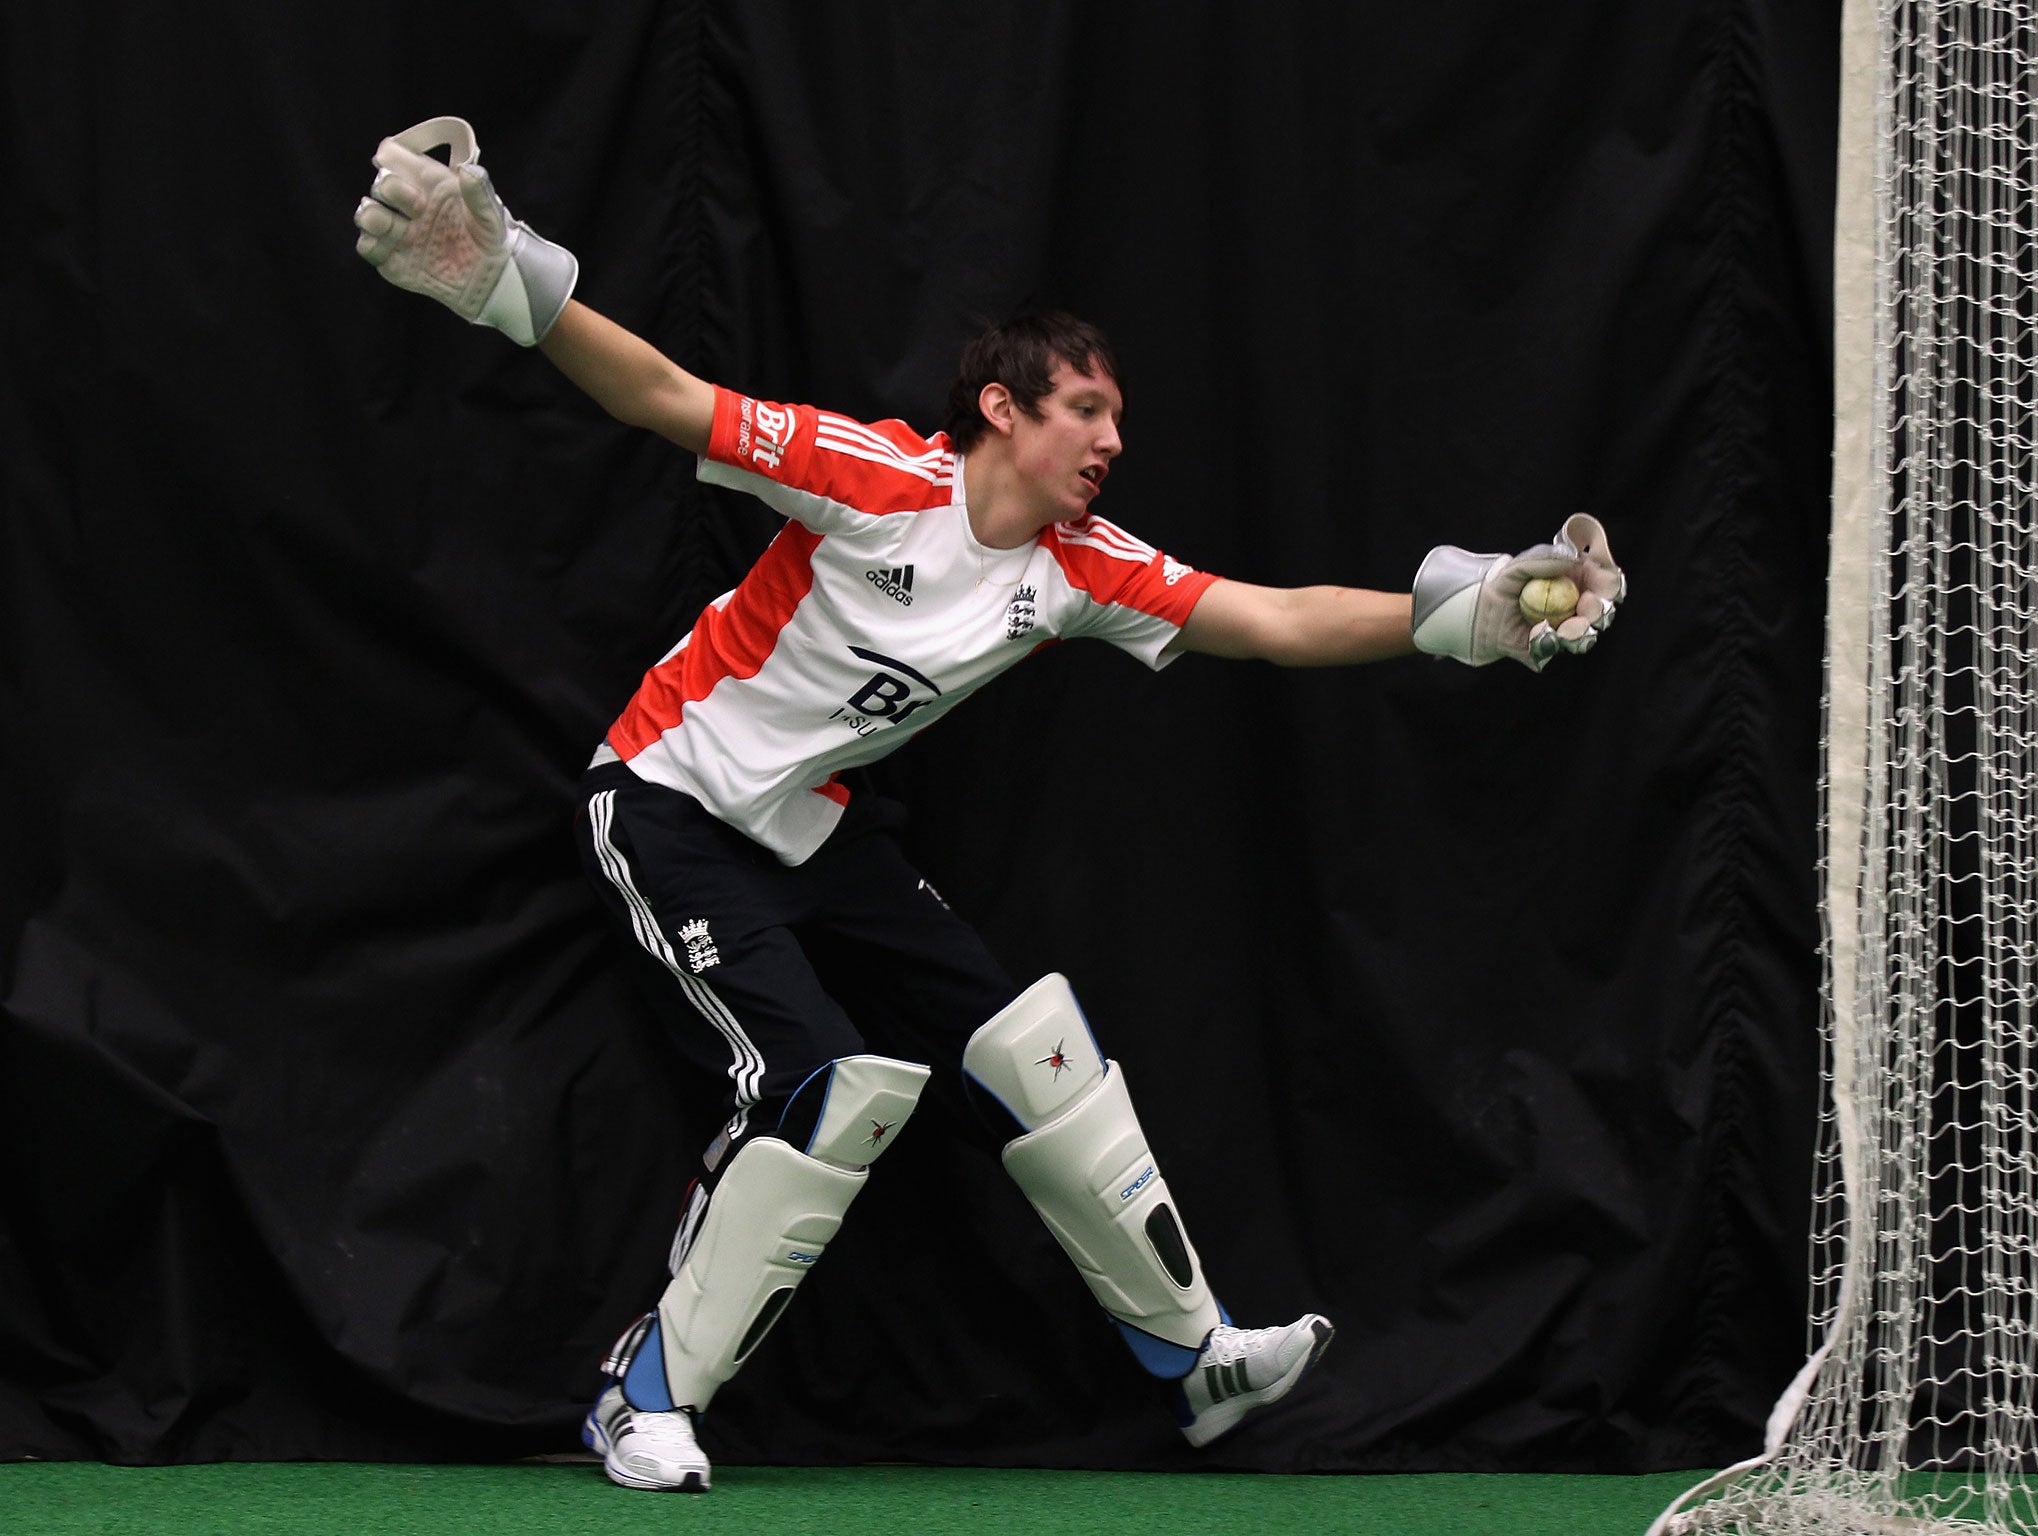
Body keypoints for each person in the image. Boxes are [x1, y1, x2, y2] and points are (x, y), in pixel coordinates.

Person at [353, 116, 1624, 1494]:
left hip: (811, 826)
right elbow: (666, 394)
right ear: (1006, 409)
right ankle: (643, 1391)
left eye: (1119, 415)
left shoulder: (1080, 566)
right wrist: (505, 285)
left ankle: (1194, 1357)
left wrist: (1474, 611)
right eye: (1087, 408)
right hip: (667, 797)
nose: (1113, 437)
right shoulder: (877, 479)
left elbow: (1273, 619)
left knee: (1033, 1052)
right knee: (826, 1091)